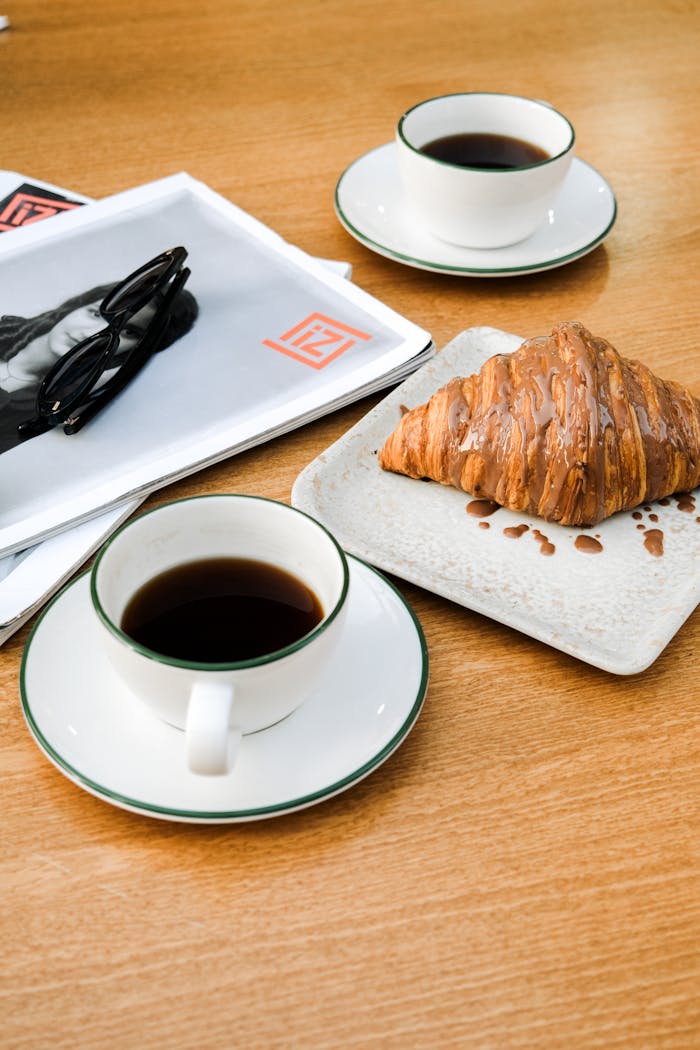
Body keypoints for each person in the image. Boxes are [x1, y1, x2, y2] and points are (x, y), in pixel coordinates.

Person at [0, 280, 198, 453]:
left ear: (134, 351)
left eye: (128, 332)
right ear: (75, 306)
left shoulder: (54, 411)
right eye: (95, 314)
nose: (92, 334)